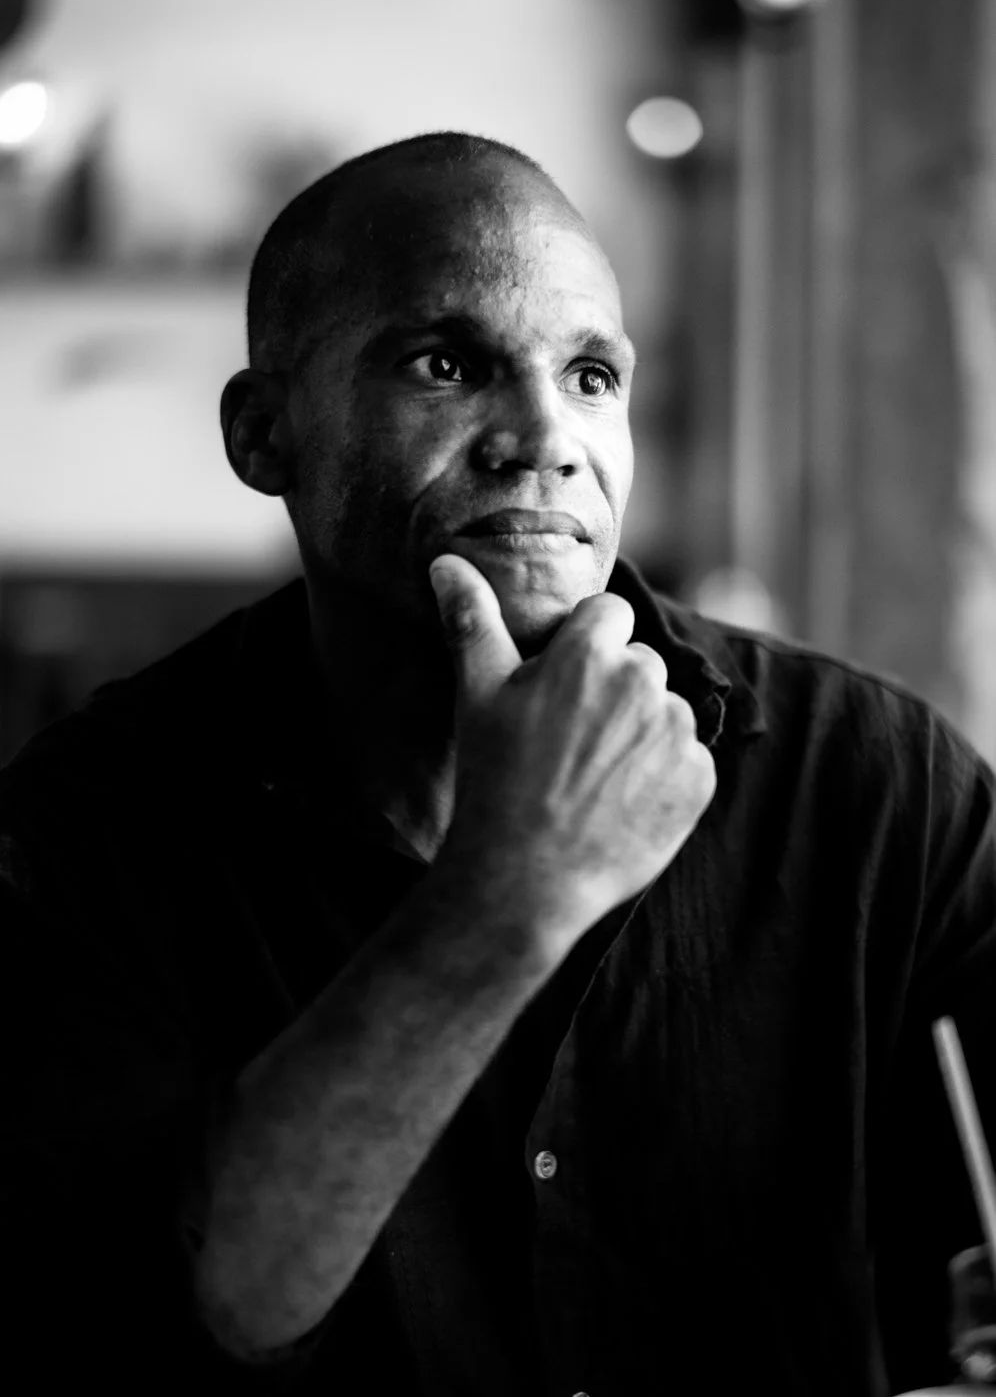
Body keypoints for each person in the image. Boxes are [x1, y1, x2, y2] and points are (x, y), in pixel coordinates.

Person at [3, 130, 995, 1397]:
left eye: (591, 376)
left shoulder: (879, 788)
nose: (544, 437)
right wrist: (509, 895)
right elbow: (189, 1314)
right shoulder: (86, 826)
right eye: (446, 363)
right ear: (265, 435)